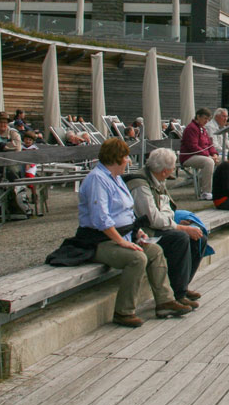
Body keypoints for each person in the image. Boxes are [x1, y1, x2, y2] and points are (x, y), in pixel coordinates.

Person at [74, 138, 191, 327]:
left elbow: (126, 213)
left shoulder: (116, 178)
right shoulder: (98, 179)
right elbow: (100, 219)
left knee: (154, 251)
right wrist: (122, 241)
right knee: (137, 258)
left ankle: (165, 302)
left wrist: (136, 234)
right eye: (126, 157)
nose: (128, 161)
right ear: (116, 158)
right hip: (97, 241)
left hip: (121, 235)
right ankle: (124, 311)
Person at [125, 148, 206, 309]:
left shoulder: (156, 178)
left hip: (159, 226)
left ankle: (182, 285)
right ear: (164, 171)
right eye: (171, 168)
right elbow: (152, 218)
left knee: (199, 237)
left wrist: (171, 222)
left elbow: (167, 207)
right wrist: (176, 226)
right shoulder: (140, 184)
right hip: (145, 232)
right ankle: (179, 293)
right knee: (181, 238)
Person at [179, 107, 219, 201]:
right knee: (208, 162)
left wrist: (214, 154)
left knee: (223, 159)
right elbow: (193, 146)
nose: (206, 121)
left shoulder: (202, 129)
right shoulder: (191, 128)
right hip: (189, 156)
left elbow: (209, 144)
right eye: (205, 118)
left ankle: (219, 188)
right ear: (198, 116)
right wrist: (208, 155)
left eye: (208, 119)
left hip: (201, 155)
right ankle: (206, 192)